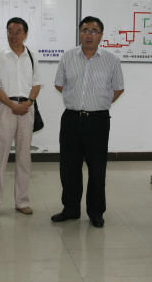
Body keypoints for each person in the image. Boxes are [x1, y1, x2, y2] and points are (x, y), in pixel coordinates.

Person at [51, 16, 124, 228]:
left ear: (101, 35)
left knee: (97, 168)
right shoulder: (68, 57)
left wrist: (99, 103)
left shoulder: (111, 60)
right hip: (72, 118)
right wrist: (77, 100)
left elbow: (118, 88)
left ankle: (96, 212)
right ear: (79, 33)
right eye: (84, 30)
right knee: (69, 167)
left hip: (98, 120)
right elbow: (59, 84)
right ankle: (71, 208)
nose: (89, 35)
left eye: (94, 31)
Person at [0, 17, 41, 220]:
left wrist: (29, 102)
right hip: (5, 108)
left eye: (18, 32)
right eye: (10, 31)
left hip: (26, 109)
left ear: (25, 34)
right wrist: (12, 105)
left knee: (24, 157)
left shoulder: (32, 56)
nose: (13, 35)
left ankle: (22, 202)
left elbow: (36, 84)